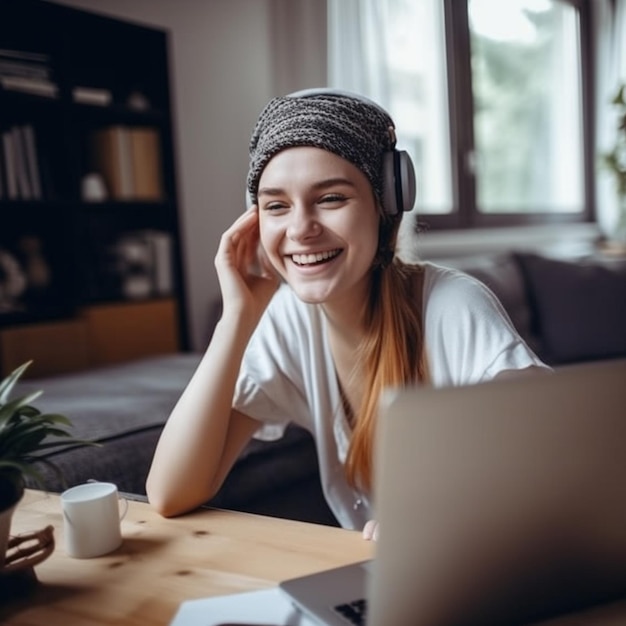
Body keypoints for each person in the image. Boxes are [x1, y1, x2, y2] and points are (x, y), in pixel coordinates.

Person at [146, 88, 548, 539]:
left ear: (386, 206)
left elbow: (550, 440)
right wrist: (236, 318)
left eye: (331, 198)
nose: (301, 229)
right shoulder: (286, 322)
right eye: (276, 205)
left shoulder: (451, 303)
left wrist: (442, 507)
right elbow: (170, 493)